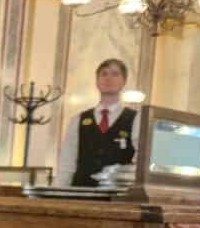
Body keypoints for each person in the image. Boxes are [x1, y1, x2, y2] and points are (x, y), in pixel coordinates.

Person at [56, 58, 141, 187]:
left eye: (115, 74)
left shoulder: (136, 119)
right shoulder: (78, 119)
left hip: (117, 196)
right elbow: (67, 162)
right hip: (80, 193)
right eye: (104, 74)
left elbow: (140, 160)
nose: (108, 78)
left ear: (124, 81)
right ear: (97, 81)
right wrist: (57, 192)